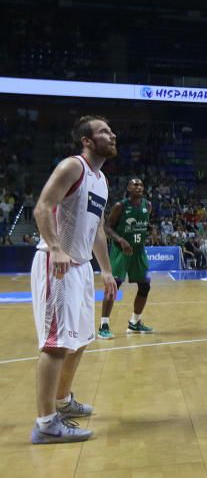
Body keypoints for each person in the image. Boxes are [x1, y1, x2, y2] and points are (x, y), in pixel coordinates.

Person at [30, 116, 118, 443]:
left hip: (81, 268)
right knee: (55, 344)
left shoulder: (101, 180)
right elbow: (43, 207)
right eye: (104, 132)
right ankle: (45, 424)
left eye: (110, 131)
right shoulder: (73, 167)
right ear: (87, 141)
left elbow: (96, 230)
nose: (112, 135)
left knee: (80, 339)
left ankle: (62, 401)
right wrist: (55, 248)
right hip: (58, 265)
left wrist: (106, 270)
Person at [99, 178, 154, 339]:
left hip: (138, 251)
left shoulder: (148, 206)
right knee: (113, 286)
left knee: (145, 286)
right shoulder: (120, 206)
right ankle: (104, 325)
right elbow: (107, 227)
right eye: (135, 184)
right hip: (121, 251)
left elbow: (142, 224)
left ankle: (134, 322)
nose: (139, 187)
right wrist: (121, 240)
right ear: (128, 188)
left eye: (141, 185)